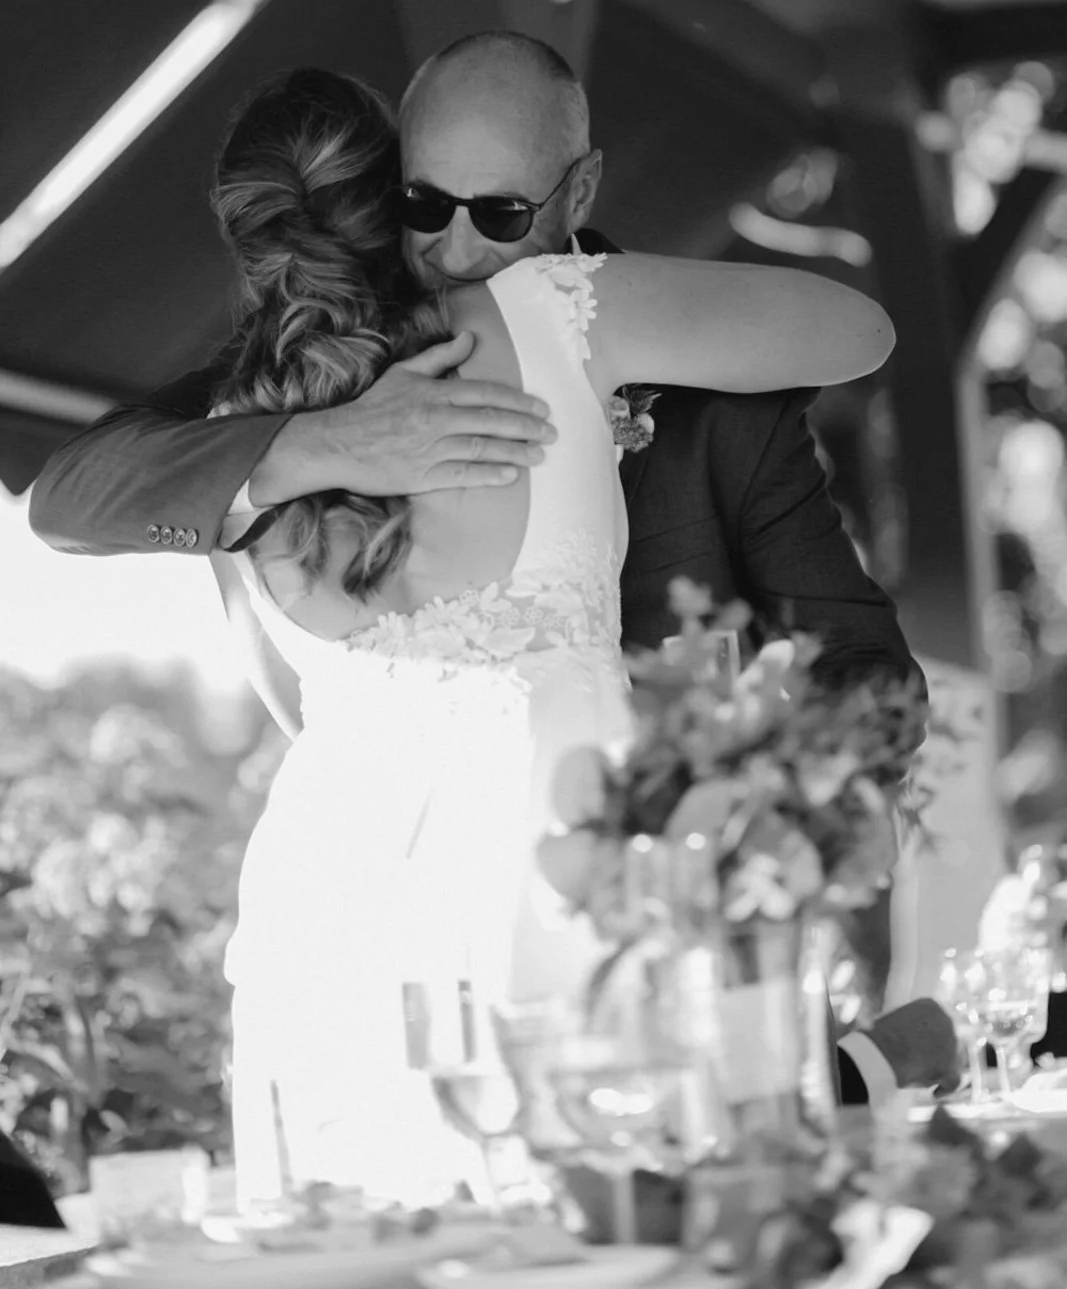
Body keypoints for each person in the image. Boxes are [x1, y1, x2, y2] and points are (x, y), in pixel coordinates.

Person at [122, 59, 890, 1209]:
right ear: (391, 198)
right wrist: (601, 331)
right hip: (548, 875)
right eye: (429, 207)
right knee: (602, 1231)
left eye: (495, 212)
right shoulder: (555, 312)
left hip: (324, 905)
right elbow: (858, 330)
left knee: (356, 1250)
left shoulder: (238, 442)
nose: (458, 240)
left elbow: (296, 712)